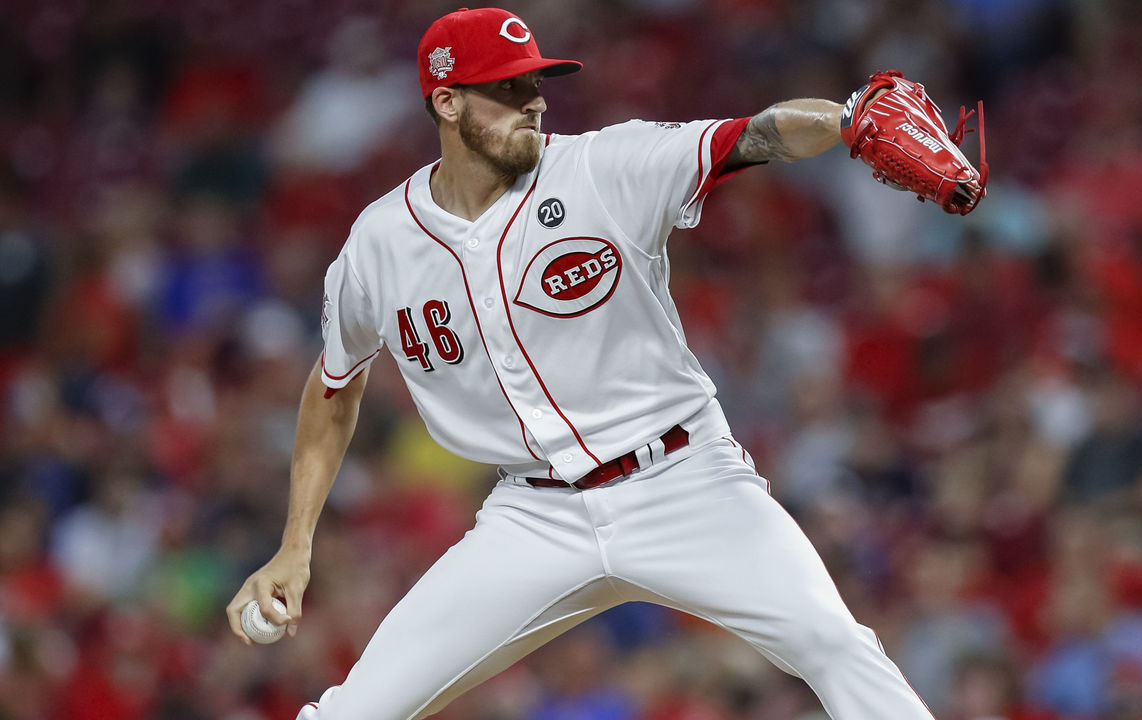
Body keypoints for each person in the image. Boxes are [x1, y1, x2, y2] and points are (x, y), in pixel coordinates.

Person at [227, 7, 937, 719]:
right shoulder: (379, 242)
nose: (533, 101)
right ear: (447, 102)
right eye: (506, 88)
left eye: (535, 83)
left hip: (684, 480)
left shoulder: (604, 166)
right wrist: (296, 545)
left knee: (833, 644)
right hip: (533, 515)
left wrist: (846, 120)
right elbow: (334, 387)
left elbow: (752, 134)